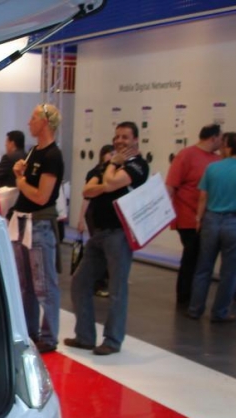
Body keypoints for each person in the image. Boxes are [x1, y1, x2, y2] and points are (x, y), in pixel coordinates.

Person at [64, 121, 149, 355]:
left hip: (119, 233)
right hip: (98, 233)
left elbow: (110, 184)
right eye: (117, 136)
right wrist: (109, 176)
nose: (120, 140)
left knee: (117, 289)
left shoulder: (138, 165)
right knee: (80, 282)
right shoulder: (108, 164)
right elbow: (87, 190)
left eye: (125, 137)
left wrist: (109, 171)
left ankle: (112, 340)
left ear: (135, 140)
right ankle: (85, 336)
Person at [10, 104, 64, 354]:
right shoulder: (34, 151)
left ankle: (49, 336)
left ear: (44, 122)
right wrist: (20, 173)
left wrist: (20, 181)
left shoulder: (52, 156)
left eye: (33, 118)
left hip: (39, 224)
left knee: (44, 284)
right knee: (26, 284)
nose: (29, 122)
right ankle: (30, 331)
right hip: (22, 221)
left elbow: (42, 196)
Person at [185, 132, 236, 323]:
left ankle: (195, 309)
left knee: (203, 268)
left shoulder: (212, 168)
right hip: (235, 223)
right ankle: (220, 312)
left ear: (229, 147)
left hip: (211, 220)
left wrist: (199, 219)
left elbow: (203, 197)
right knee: (229, 272)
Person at [165, 124, 222, 307]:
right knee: (191, 256)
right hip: (187, 215)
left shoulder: (217, 159)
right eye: (220, 138)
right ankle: (184, 296)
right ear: (213, 137)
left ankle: (193, 297)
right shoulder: (186, 155)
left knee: (200, 258)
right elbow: (171, 185)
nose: (222, 142)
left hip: (207, 217)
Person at [76, 144, 114, 297]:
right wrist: (81, 219)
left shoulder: (114, 174)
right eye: (110, 154)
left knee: (105, 250)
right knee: (99, 248)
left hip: (105, 217)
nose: (112, 157)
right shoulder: (95, 173)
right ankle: (98, 282)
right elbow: (86, 197)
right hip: (93, 214)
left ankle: (103, 280)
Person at [0, 130, 25, 217]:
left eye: (6, 142)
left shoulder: (9, 158)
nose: (5, 145)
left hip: (6, 200)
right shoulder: (27, 156)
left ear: (12, 143)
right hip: (21, 199)